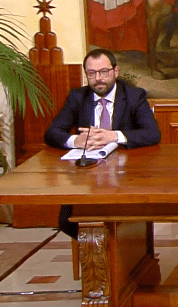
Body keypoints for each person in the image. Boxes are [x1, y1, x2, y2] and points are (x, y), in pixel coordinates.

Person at [45, 48, 161, 238]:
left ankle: (116, 245)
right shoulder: (77, 96)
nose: (98, 78)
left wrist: (113, 136)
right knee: (70, 219)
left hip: (126, 174)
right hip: (87, 175)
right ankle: (93, 246)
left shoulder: (134, 96)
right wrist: (75, 140)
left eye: (104, 72)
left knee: (124, 219)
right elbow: (52, 133)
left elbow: (152, 134)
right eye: (92, 73)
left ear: (116, 71)